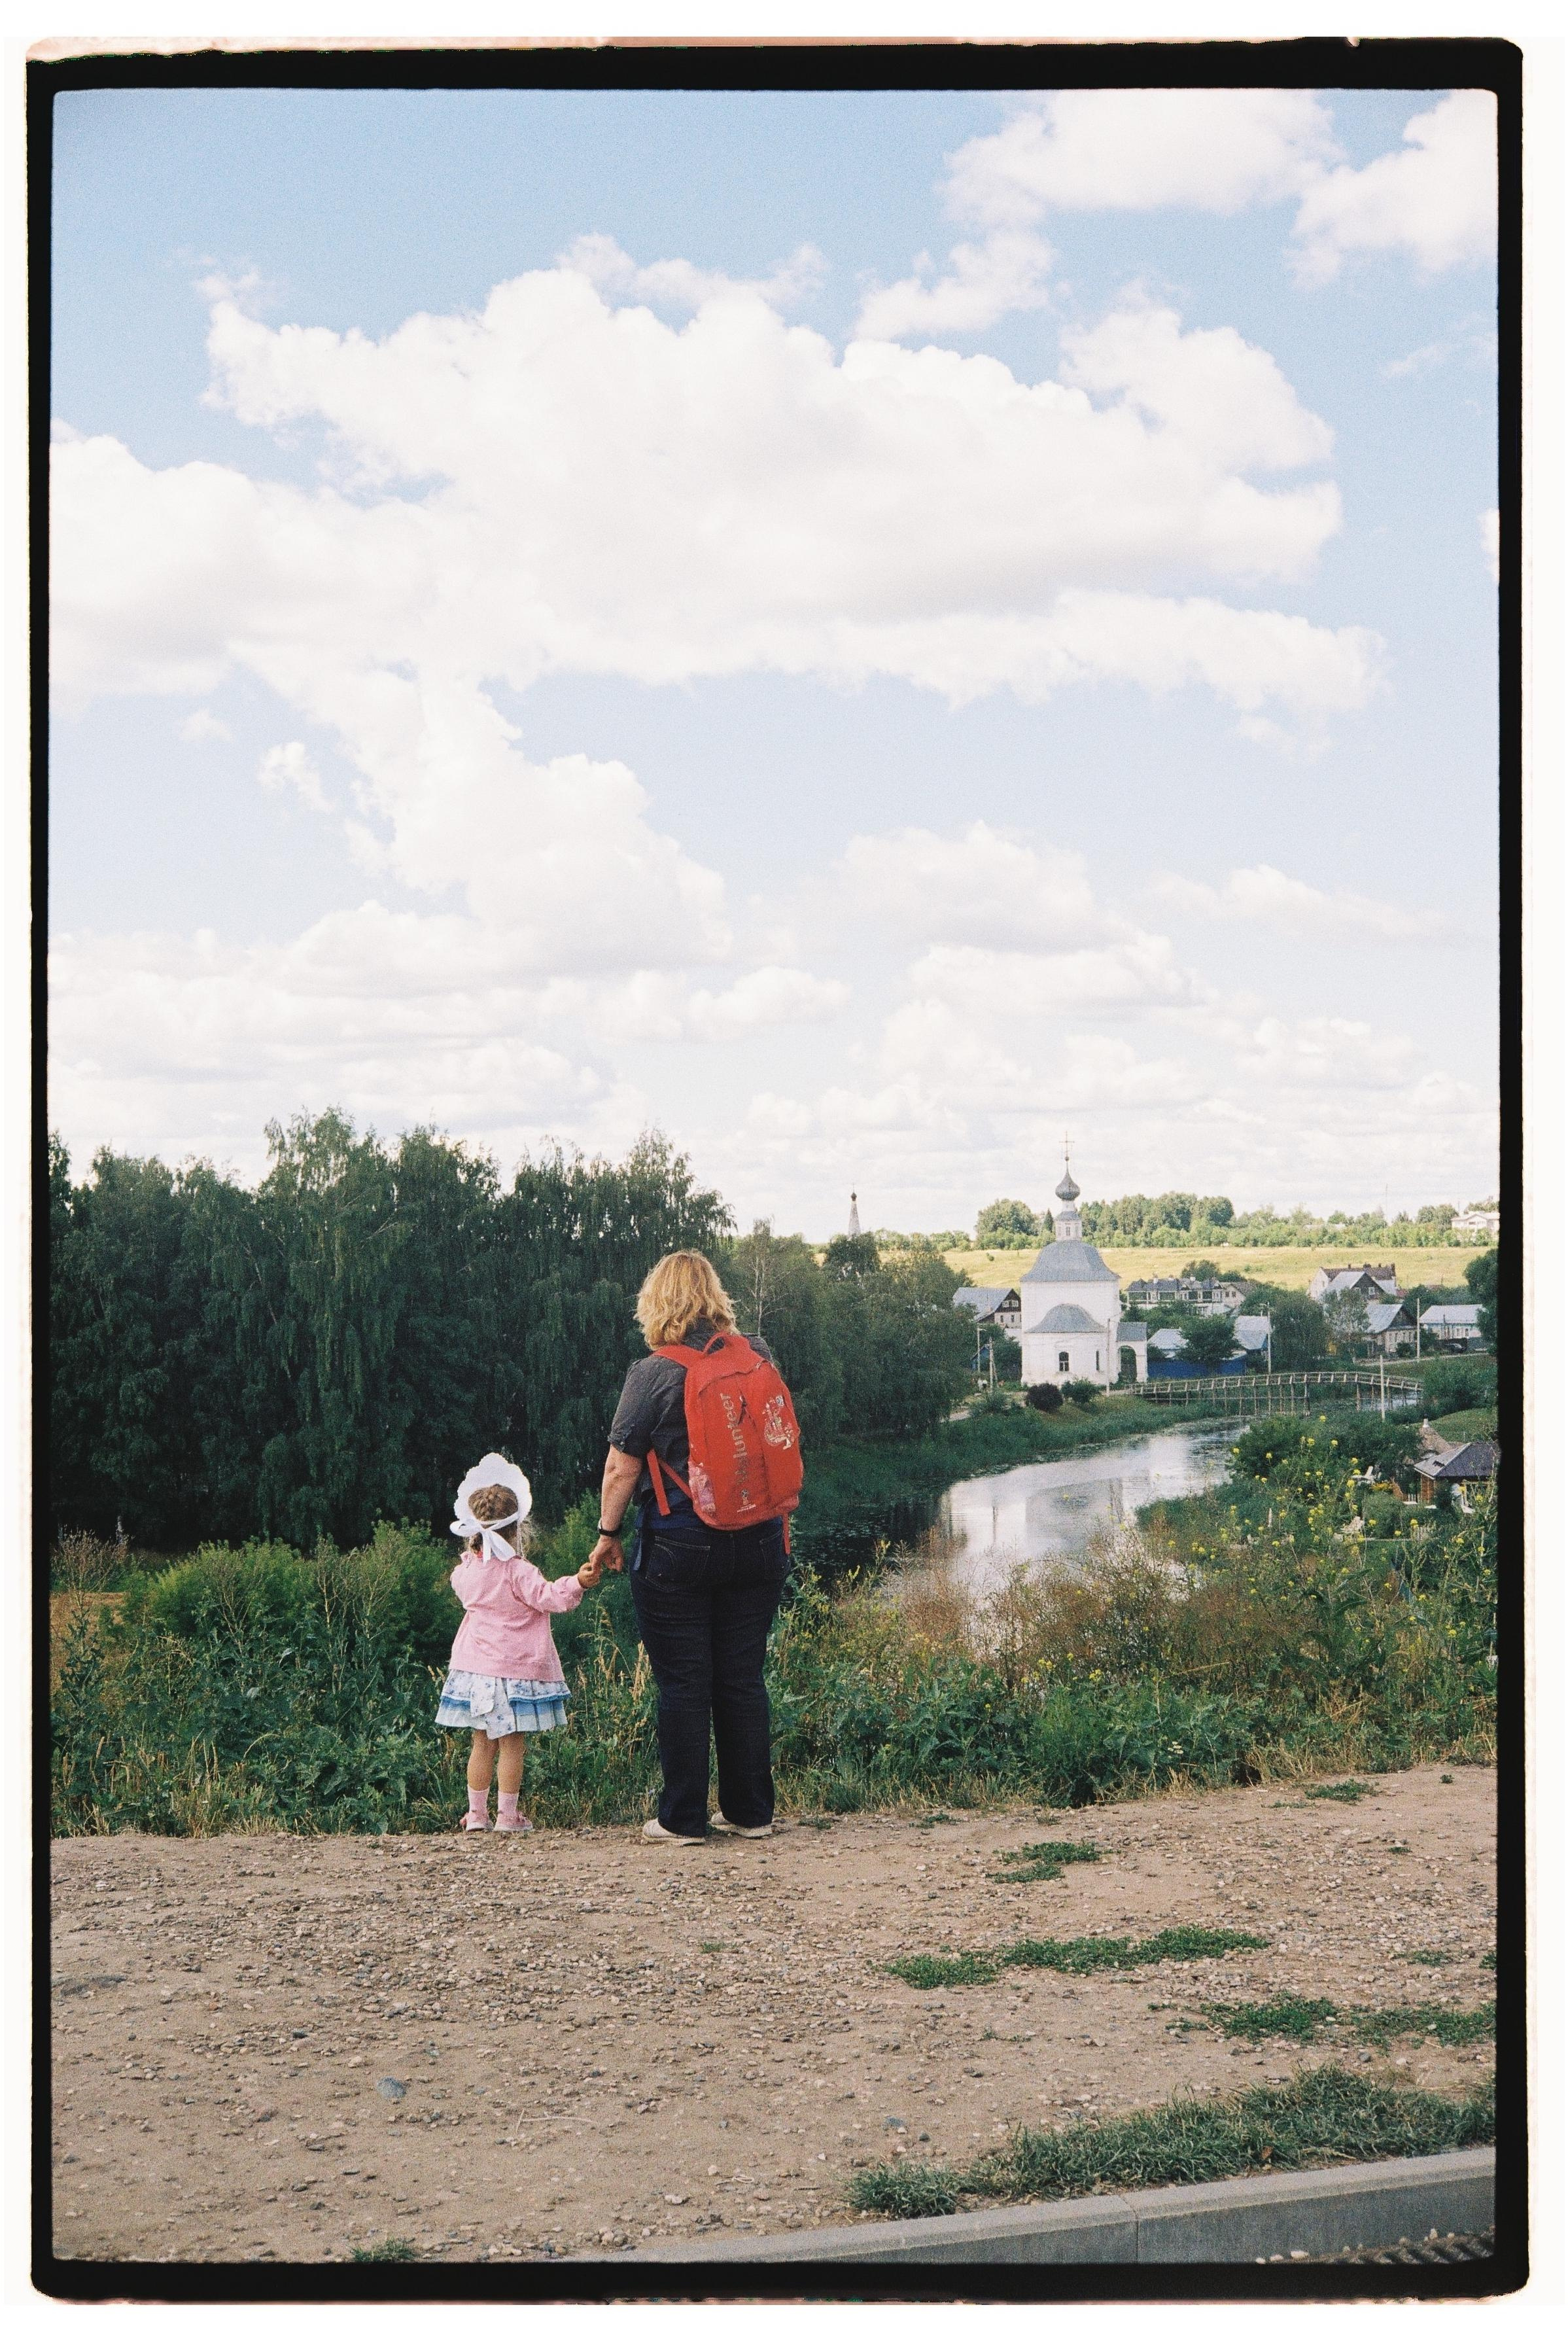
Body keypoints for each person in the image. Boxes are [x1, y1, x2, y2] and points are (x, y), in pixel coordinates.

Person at [586, 1250, 797, 1846]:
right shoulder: (757, 1356)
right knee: (741, 1678)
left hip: (680, 1547)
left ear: (656, 1303)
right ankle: (751, 1813)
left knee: (684, 1683)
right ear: (715, 1297)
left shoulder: (652, 1373)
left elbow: (620, 1467)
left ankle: (682, 1820)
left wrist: (607, 1536)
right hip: (759, 1543)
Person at [435, 1451, 604, 1834]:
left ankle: (476, 1816)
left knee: (481, 1742)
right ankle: (508, 1818)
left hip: (476, 1671)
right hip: (515, 1672)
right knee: (512, 1745)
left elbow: (465, 1584)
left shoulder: (466, 1573)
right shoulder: (519, 1572)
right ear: (517, 1528)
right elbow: (549, 1597)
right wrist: (578, 1581)